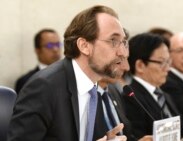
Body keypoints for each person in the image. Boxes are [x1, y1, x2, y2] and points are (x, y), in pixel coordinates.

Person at [7, 5, 128, 141]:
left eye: (124, 42)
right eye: (113, 41)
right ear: (84, 46)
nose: (123, 52)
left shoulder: (93, 88)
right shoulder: (44, 87)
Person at [123, 33, 183, 139]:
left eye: (168, 62)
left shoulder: (164, 95)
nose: (168, 68)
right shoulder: (132, 97)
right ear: (140, 66)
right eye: (162, 62)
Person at [96, 54, 153, 141]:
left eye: (126, 59)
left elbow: (125, 135)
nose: (127, 67)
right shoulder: (81, 97)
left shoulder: (113, 90)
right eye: (119, 61)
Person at [15, 28, 61, 94]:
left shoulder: (70, 76)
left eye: (57, 44)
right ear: (38, 50)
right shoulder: (27, 81)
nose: (55, 49)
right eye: (50, 45)